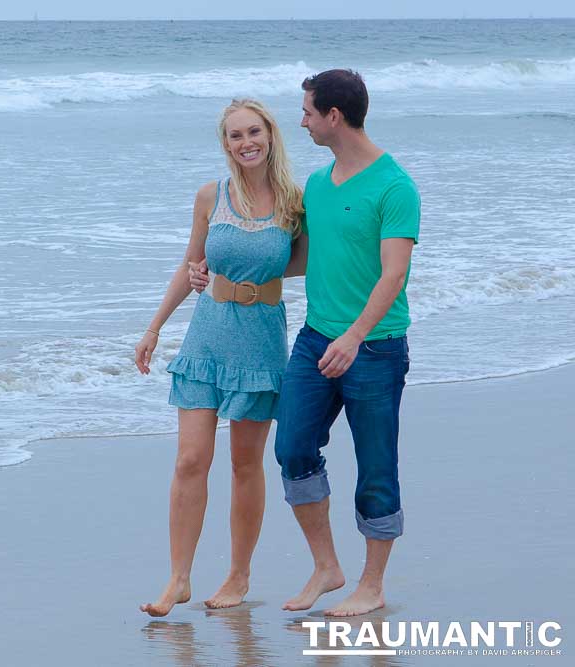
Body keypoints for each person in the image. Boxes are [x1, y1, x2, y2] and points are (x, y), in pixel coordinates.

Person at [193, 70, 420, 617]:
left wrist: (355, 335)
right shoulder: (318, 186)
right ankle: (326, 566)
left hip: (375, 346)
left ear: (333, 117)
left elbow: (393, 276)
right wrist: (215, 270)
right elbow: (293, 259)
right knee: (292, 448)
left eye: (308, 112)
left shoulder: (395, 187)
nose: (302, 121)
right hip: (315, 340)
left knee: (376, 464)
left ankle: (372, 583)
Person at [134, 99, 307, 617]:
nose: (245, 142)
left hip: (260, 341)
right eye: (235, 136)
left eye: (254, 132)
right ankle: (178, 579)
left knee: (244, 464)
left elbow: (306, 264)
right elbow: (191, 263)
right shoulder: (211, 196)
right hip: (207, 336)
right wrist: (154, 327)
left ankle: (238, 575)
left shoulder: (295, 203)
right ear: (225, 144)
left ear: (270, 135)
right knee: (191, 460)